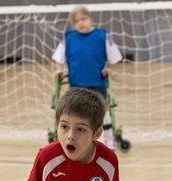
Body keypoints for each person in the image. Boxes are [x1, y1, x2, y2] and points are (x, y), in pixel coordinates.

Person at [52, 5, 122, 150]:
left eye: (84, 19)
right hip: (76, 85)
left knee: (103, 112)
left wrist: (109, 68)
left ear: (90, 19)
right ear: (73, 24)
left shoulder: (102, 35)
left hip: (97, 83)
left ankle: (109, 139)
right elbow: (58, 58)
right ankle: (73, 140)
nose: (81, 23)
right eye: (77, 21)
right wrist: (61, 70)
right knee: (74, 115)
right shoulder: (68, 38)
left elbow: (115, 57)